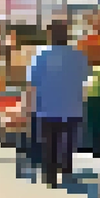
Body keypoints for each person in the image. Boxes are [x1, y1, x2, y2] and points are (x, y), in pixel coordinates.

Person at [27, 21, 91, 188]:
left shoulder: (41, 55)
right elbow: (85, 77)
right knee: (68, 141)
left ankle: (50, 176)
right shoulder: (78, 55)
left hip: (47, 105)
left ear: (50, 36)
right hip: (72, 105)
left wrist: (29, 106)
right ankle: (67, 170)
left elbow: (32, 81)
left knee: (49, 141)